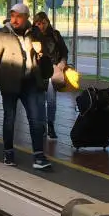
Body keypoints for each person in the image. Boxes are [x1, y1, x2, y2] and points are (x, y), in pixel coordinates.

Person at [0, 3, 54, 170]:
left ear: (26, 18)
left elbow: (46, 53)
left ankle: (39, 156)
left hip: (31, 82)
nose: (15, 20)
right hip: (9, 84)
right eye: (13, 16)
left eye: (19, 16)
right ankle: (8, 152)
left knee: (36, 120)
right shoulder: (2, 35)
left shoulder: (35, 33)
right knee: (10, 118)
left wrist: (41, 51)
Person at [32, 12, 68, 141]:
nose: (41, 26)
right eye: (38, 23)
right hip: (38, 71)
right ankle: (42, 125)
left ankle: (50, 125)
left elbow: (64, 51)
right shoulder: (32, 35)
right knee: (40, 101)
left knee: (51, 100)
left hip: (53, 69)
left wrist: (61, 64)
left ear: (48, 22)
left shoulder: (55, 34)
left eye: (43, 23)